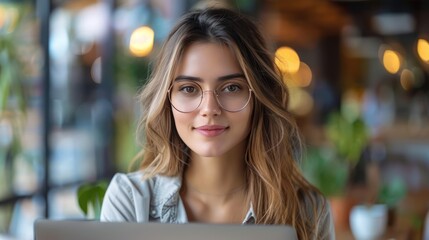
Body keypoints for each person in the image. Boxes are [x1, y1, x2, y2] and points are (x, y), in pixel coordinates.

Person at [100, 7, 334, 239]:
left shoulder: (308, 212)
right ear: (167, 99)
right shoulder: (130, 201)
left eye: (232, 87)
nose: (209, 109)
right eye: (189, 89)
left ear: (258, 97)